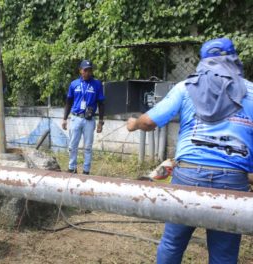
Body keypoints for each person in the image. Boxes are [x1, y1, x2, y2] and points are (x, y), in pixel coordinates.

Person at [127, 38, 253, 264]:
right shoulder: (251, 91)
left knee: (173, 243)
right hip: (233, 182)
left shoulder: (186, 87)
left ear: (203, 61)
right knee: (224, 254)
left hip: (188, 177)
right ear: (234, 59)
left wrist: (133, 123)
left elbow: (148, 122)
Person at [62, 60, 105, 174]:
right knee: (72, 145)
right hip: (76, 118)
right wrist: (64, 119)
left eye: (90, 70)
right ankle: (72, 168)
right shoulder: (74, 84)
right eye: (85, 70)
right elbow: (68, 102)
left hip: (89, 120)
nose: (87, 72)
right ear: (80, 70)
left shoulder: (97, 84)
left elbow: (101, 103)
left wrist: (101, 121)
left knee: (88, 147)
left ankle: (86, 170)